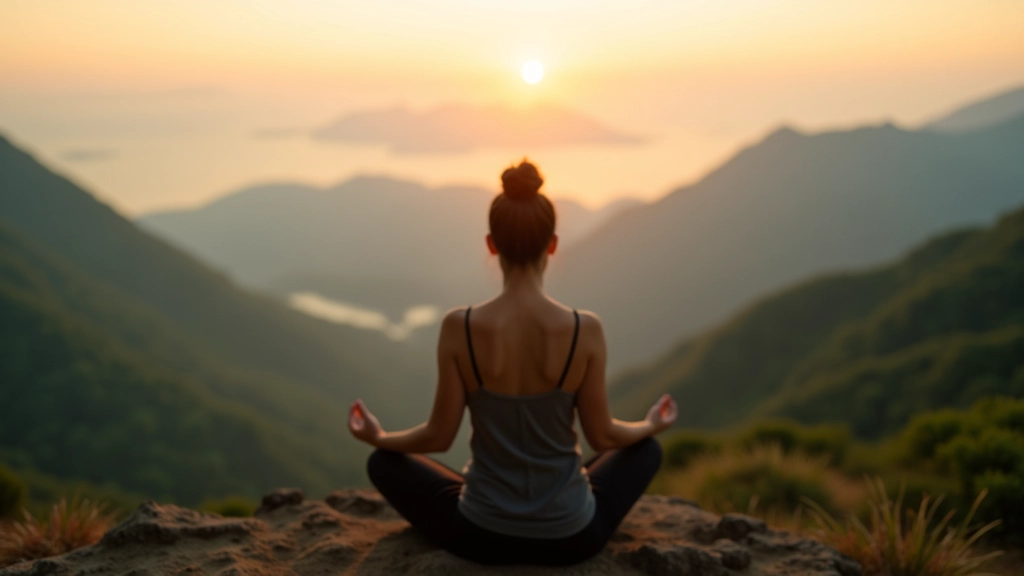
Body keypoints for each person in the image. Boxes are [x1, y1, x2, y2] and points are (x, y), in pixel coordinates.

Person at [347, 159, 678, 566]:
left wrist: (379, 437)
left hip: (479, 534)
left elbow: (438, 437)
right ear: (552, 244)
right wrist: (651, 424)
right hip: (573, 537)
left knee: (383, 464)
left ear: (491, 244)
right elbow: (604, 436)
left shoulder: (460, 327)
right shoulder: (583, 329)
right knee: (646, 451)